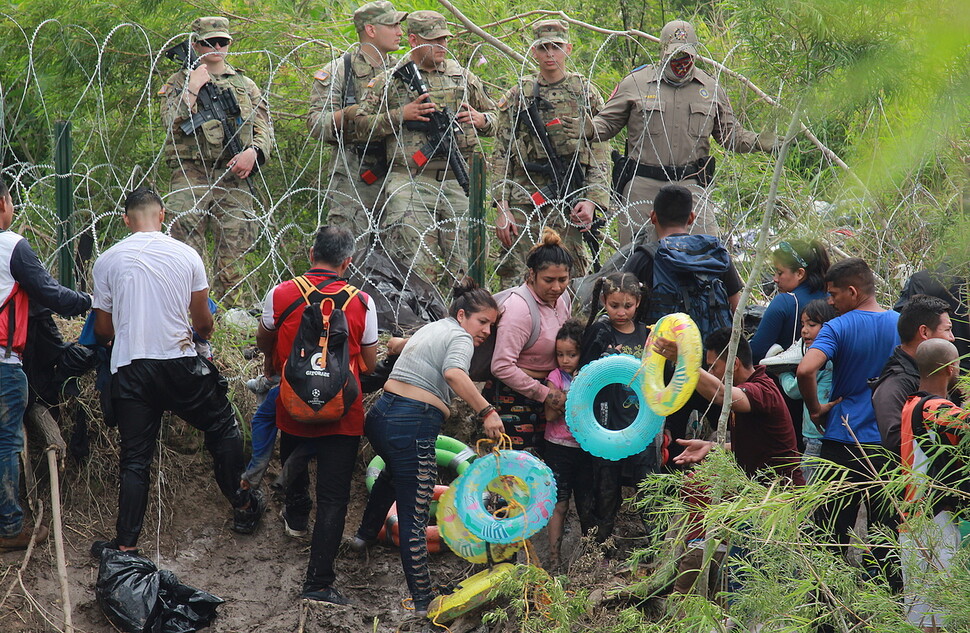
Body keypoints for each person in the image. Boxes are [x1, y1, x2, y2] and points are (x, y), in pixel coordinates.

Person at [90, 187, 259, 556]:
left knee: (135, 460)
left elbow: (103, 330)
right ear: (163, 215)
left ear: (126, 220)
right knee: (223, 426)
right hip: (180, 362)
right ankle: (242, 502)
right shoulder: (186, 255)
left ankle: (126, 546)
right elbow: (204, 323)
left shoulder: (107, 260)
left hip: (131, 369)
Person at [350, 279, 503, 617]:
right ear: (462, 315)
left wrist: (406, 343)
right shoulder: (460, 338)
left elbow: (394, 344)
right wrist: (487, 411)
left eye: (492, 325)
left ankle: (362, 537)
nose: (487, 331)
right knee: (415, 514)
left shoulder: (434, 328)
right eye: (483, 322)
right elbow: (453, 374)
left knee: (391, 477)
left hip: (380, 417)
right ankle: (423, 604)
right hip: (411, 423)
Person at [565, 19, 775, 247]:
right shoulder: (636, 83)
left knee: (707, 252)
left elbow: (729, 135)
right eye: (675, 55)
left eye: (687, 54)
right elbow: (607, 124)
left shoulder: (710, 89)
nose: (681, 62)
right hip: (643, 186)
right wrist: (590, 129)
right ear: (663, 51)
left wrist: (759, 142)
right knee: (637, 259)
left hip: (690, 186)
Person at [256, 225, 378, 604]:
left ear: (311, 254)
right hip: (342, 413)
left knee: (295, 453)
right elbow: (371, 363)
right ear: (348, 262)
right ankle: (318, 583)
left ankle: (295, 517)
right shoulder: (362, 302)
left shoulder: (281, 293)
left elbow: (265, 339)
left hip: (293, 404)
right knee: (334, 498)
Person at [356, 10, 495, 287]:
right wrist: (401, 115)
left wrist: (482, 120)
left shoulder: (461, 78)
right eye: (434, 41)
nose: (442, 46)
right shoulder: (390, 80)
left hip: (457, 181)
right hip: (410, 181)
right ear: (413, 40)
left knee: (469, 266)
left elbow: (498, 116)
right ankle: (416, 325)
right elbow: (359, 125)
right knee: (414, 268)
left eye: (444, 40)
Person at [796, 257, 900, 588]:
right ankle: (890, 609)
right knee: (887, 534)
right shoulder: (901, 325)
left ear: (853, 292)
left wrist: (815, 408)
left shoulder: (838, 327)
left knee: (829, 534)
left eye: (833, 294)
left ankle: (828, 613)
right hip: (887, 443)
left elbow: (804, 369)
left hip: (842, 440)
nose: (830, 301)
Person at [0, 176, 91, 551]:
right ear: (3, 204)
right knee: (7, 440)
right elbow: (50, 292)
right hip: (4, 362)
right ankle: (10, 528)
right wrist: (90, 300)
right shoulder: (11, 245)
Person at [624, 184, 742, 464]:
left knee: (668, 440)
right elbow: (737, 306)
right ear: (691, 218)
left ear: (653, 217)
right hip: (713, 364)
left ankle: (669, 493)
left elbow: (626, 311)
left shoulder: (645, 258)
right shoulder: (715, 253)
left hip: (664, 366)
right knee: (724, 436)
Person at [161, 16, 275, 306]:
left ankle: (232, 314)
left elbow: (264, 129)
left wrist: (254, 152)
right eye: (209, 42)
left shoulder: (245, 84)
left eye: (222, 42)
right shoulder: (178, 82)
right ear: (196, 45)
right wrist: (192, 88)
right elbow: (169, 124)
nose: (216, 47)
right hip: (191, 172)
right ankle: (188, 312)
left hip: (233, 175)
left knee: (235, 248)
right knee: (186, 248)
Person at [491, 20, 610, 284]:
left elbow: (600, 153)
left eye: (556, 47)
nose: (550, 54)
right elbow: (501, 152)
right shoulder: (518, 96)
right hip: (525, 198)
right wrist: (502, 207)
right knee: (518, 276)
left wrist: (592, 201)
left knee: (572, 276)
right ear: (534, 51)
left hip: (571, 198)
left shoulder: (585, 94)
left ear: (567, 48)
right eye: (543, 48)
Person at [307, 1, 407, 243]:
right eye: (392, 25)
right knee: (351, 250)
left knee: (397, 255)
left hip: (397, 173)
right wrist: (349, 114)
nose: (400, 32)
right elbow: (316, 124)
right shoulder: (340, 71)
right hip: (353, 174)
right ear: (371, 30)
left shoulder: (403, 72)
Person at [670, 328, 804, 485]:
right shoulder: (746, 389)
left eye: (713, 367)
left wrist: (685, 362)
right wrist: (712, 447)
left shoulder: (762, 390)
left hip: (782, 495)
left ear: (734, 364)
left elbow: (720, 395)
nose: (710, 373)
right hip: (758, 493)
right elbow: (754, 445)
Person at [898, 339, 970, 632]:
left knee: (925, 615)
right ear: (952, 368)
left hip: (914, 519)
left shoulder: (912, 403)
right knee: (936, 616)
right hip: (932, 519)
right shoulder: (932, 407)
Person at [578, 272, 651, 543]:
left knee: (647, 486)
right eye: (614, 305)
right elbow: (584, 375)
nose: (621, 312)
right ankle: (600, 548)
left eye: (628, 306)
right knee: (606, 487)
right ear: (604, 302)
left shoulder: (647, 334)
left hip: (641, 423)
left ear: (639, 302)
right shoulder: (601, 331)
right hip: (606, 422)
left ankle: (658, 547)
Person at [490, 228, 573, 450]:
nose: (556, 287)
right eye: (548, 280)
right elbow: (501, 366)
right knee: (517, 468)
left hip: (551, 392)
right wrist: (544, 393)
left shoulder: (563, 298)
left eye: (563, 279)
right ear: (531, 274)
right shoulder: (519, 309)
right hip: (514, 399)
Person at [871, 294, 954, 453]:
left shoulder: (934, 372)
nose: (952, 338)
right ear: (924, 332)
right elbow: (895, 441)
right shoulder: (895, 382)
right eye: (947, 329)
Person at [766, 298, 837, 483]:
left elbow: (793, 390)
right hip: (827, 433)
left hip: (815, 435)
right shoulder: (832, 356)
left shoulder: (819, 362)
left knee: (808, 490)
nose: (804, 330)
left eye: (812, 324)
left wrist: (781, 373)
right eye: (803, 324)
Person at [542, 318, 594, 568]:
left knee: (587, 502)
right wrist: (574, 397)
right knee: (559, 503)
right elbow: (550, 414)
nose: (564, 360)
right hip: (557, 447)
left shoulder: (592, 375)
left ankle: (589, 557)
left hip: (586, 448)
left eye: (571, 354)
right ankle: (554, 558)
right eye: (560, 354)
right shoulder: (555, 376)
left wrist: (567, 399)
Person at [749, 240, 831, 363]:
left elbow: (756, 352)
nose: (775, 279)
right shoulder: (832, 299)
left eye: (780, 272)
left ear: (799, 273)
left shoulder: (784, 302)